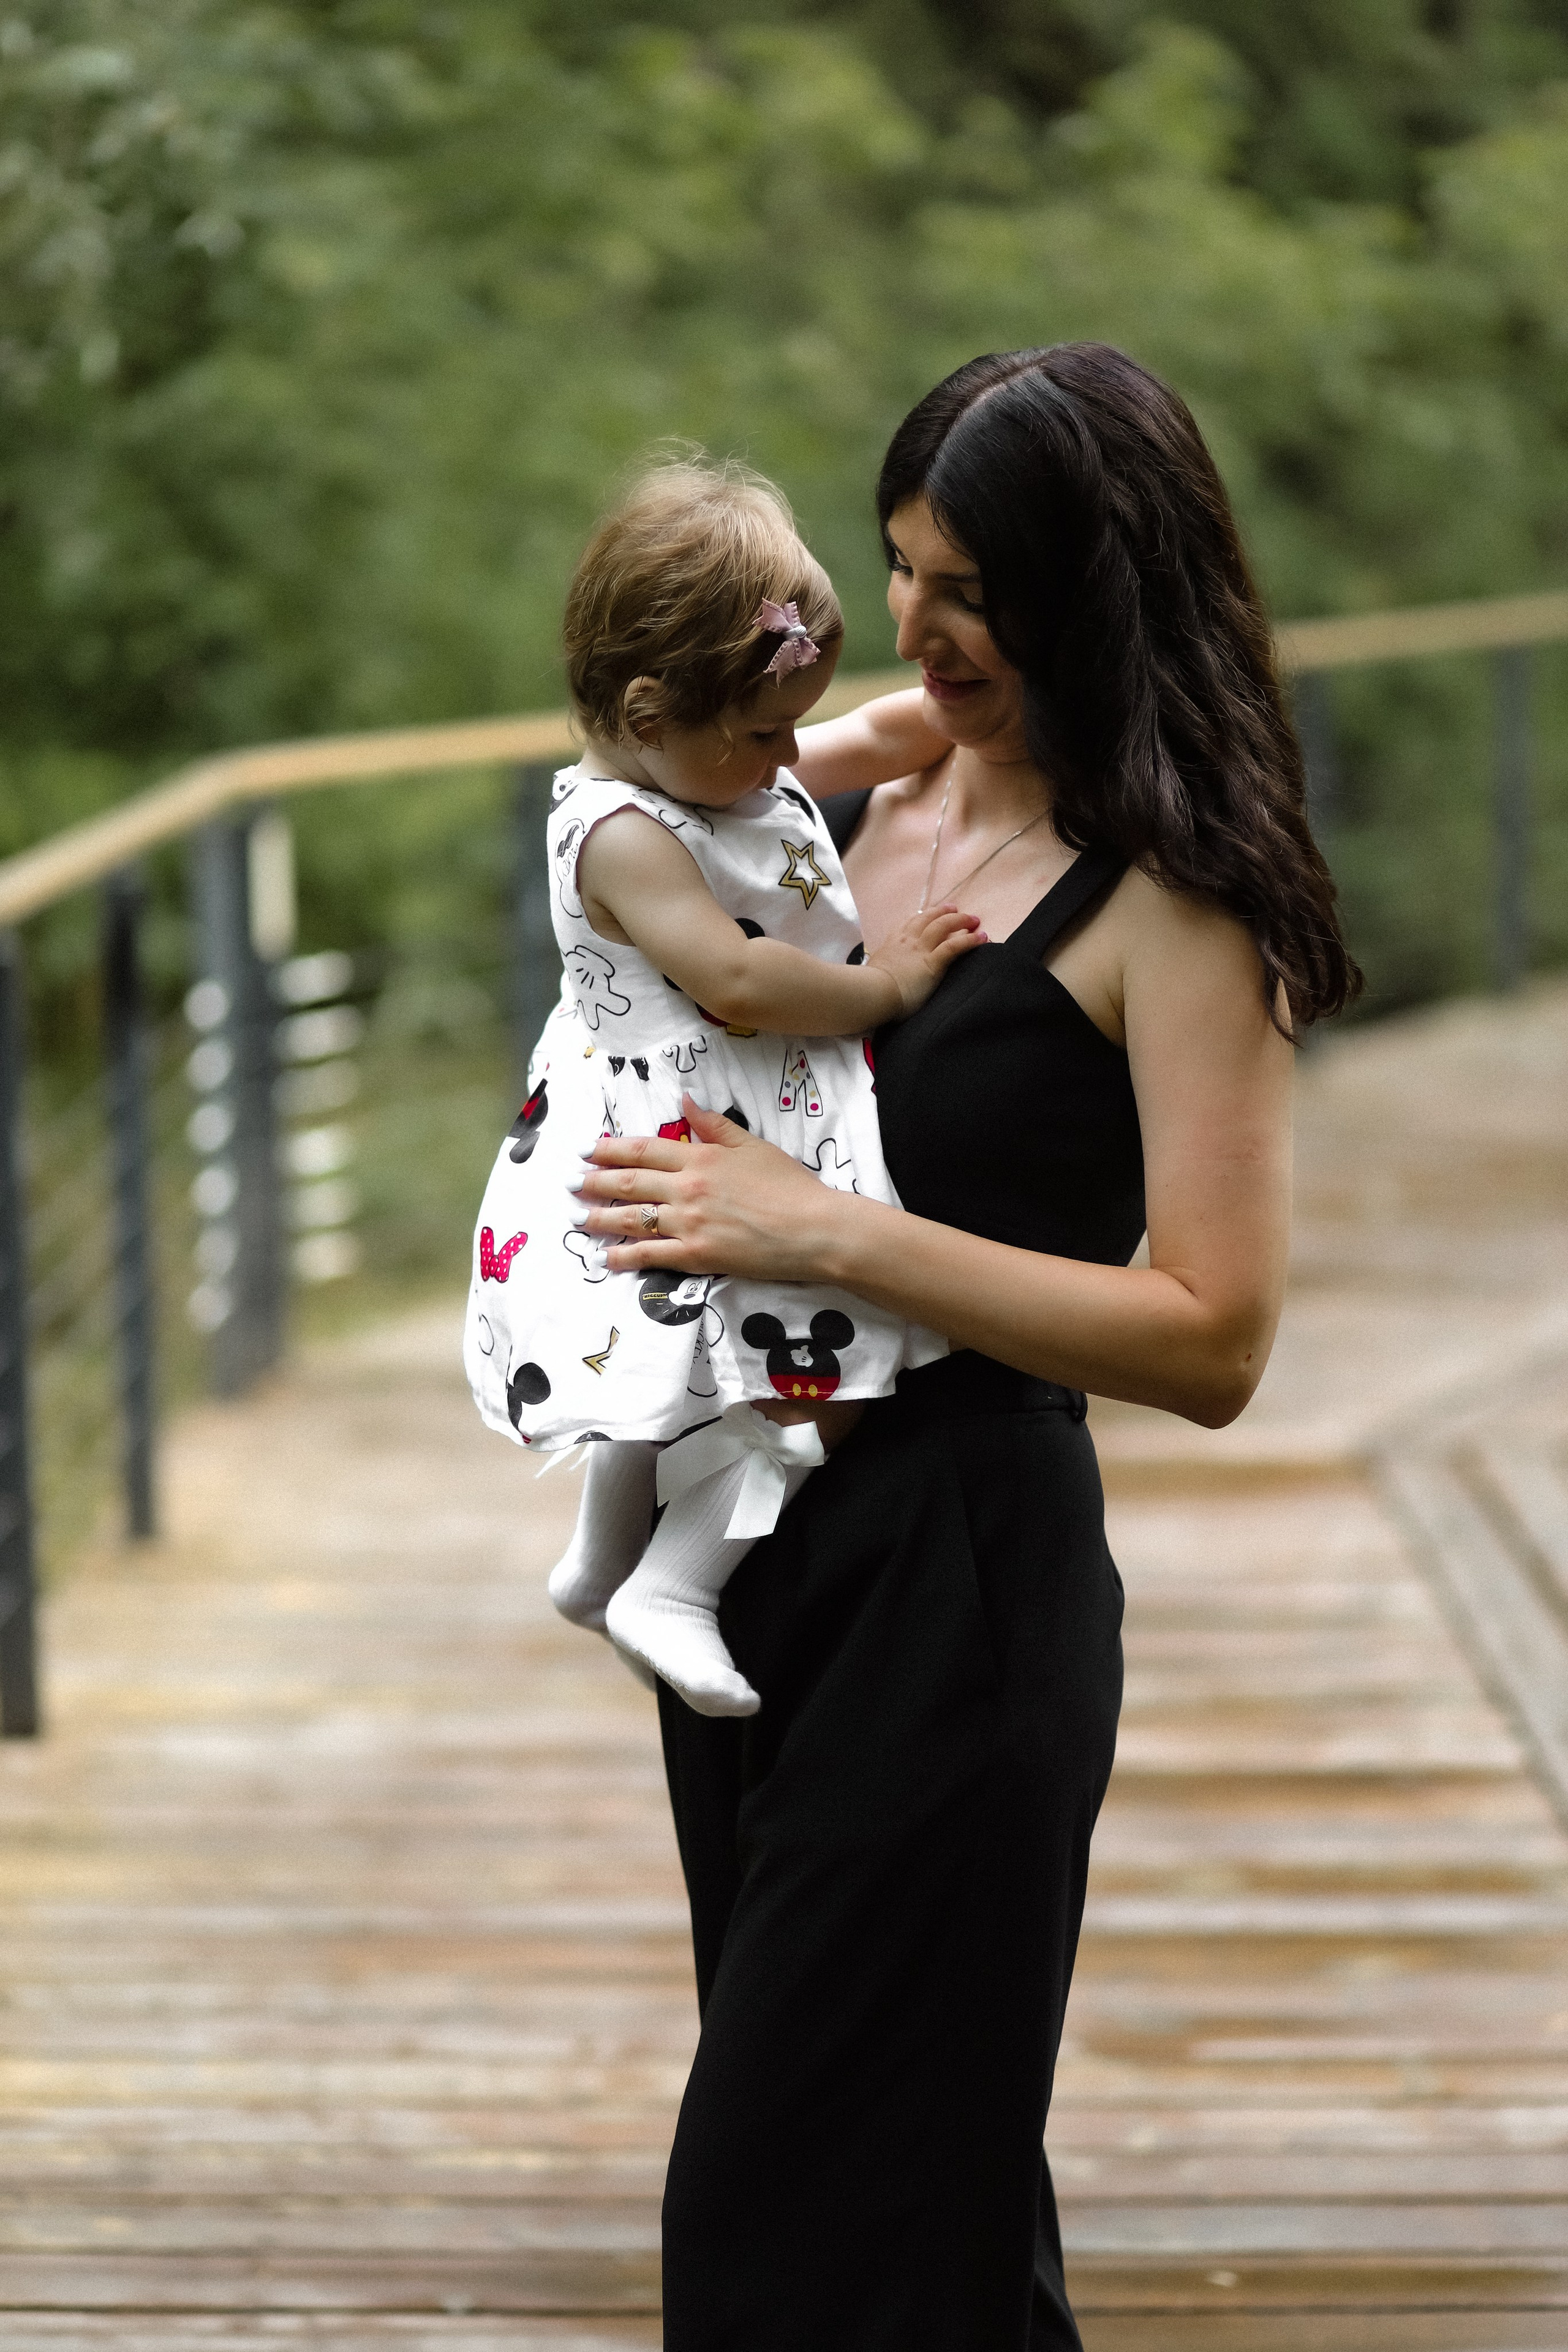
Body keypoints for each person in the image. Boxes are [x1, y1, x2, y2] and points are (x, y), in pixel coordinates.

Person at [570, 345, 1360, 2348]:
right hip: (767, 1577)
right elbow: (607, 788)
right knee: (912, 2214)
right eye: (907, 569)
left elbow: (1214, 1336)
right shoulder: (858, 781)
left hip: (963, 1583)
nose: (924, 624)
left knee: (782, 2215)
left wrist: (829, 1231)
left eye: (980, 590)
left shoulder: (1175, 899)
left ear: (1096, 595)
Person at [465, 458, 978, 1716]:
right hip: (692, 1114)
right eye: (765, 733)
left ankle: (596, 1563)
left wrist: (995, 703)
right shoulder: (626, 834)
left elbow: (878, 734)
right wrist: (888, 988)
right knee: (809, 1353)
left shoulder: (717, 760)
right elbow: (735, 979)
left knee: (672, 1362)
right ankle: (672, 1581)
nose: (792, 754)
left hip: (725, 1101)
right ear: (649, 713)